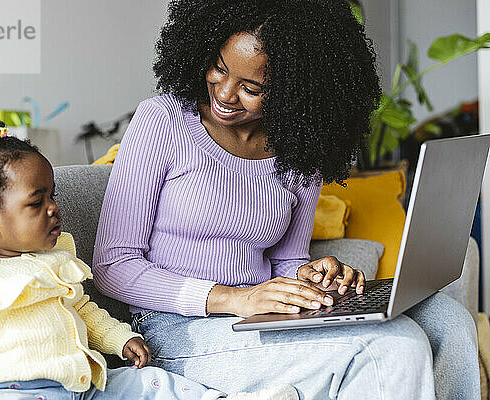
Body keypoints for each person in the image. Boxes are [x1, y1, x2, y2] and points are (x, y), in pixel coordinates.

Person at [92, 1, 479, 399]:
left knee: (448, 319)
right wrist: (234, 299)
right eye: (219, 68)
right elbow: (112, 265)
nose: (225, 94)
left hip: (266, 314)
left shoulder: (299, 144)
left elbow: (286, 260)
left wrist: (312, 277)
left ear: (294, 87)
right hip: (178, 330)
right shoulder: (163, 120)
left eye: (251, 88)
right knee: (394, 346)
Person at [0, 121, 297, 400]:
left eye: (52, 196)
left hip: (86, 385)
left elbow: (84, 311)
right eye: (37, 203)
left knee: (152, 384)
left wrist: (121, 339)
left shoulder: (58, 256)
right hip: (15, 391)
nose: (53, 209)